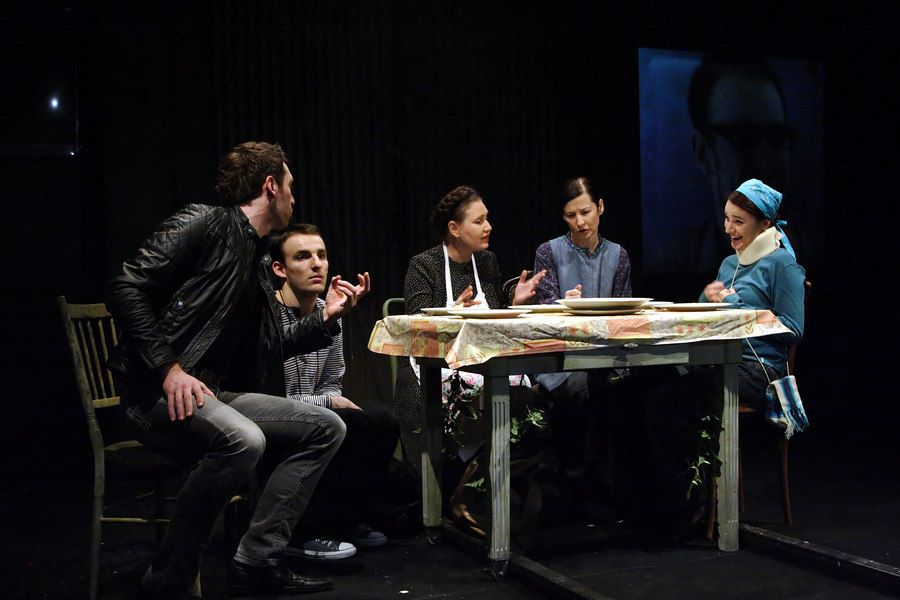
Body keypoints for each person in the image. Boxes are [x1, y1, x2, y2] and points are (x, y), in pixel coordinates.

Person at [106, 142, 365, 598]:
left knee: (327, 426)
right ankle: (167, 580)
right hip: (153, 396)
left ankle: (257, 560)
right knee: (245, 439)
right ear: (270, 186)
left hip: (211, 395)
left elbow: (268, 347)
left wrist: (325, 319)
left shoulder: (257, 259)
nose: (294, 198)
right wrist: (168, 368)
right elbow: (127, 285)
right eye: (290, 187)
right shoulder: (203, 222)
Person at [394, 185, 545, 480]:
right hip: (432, 367)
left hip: (482, 360)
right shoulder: (424, 265)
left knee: (523, 387)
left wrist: (514, 303)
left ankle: (495, 477)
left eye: (487, 218)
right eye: (479, 221)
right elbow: (416, 325)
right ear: (454, 228)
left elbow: (494, 321)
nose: (488, 227)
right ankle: (452, 483)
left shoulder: (487, 262)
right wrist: (452, 312)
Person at [269, 223, 399, 558]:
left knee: (382, 419)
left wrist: (329, 399)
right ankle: (304, 532)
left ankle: (346, 519)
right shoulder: (269, 316)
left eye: (322, 255)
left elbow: (332, 378)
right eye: (303, 256)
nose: (317, 264)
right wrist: (328, 401)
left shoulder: (328, 311)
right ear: (280, 269)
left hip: (312, 410)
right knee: (347, 423)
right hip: (274, 417)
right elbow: (271, 397)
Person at [531, 176, 633, 492]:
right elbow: (544, 314)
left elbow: (625, 315)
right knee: (587, 386)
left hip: (607, 358)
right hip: (561, 360)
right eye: (571, 215)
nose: (580, 222)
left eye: (585, 212)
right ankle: (582, 478)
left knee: (630, 386)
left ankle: (617, 483)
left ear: (600, 207)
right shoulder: (549, 252)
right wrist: (564, 306)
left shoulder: (618, 255)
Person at [699, 178, 805, 411]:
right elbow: (709, 319)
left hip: (760, 368)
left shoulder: (782, 264)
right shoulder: (729, 263)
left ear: (765, 224)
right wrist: (706, 299)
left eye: (738, 221)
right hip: (723, 359)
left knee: (689, 392)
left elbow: (792, 330)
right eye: (727, 218)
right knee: (665, 382)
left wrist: (734, 304)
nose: (728, 228)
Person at [687, 52, 794, 273]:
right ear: (703, 152)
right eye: (744, 137)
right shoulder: (676, 258)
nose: (764, 158)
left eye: (776, 137)